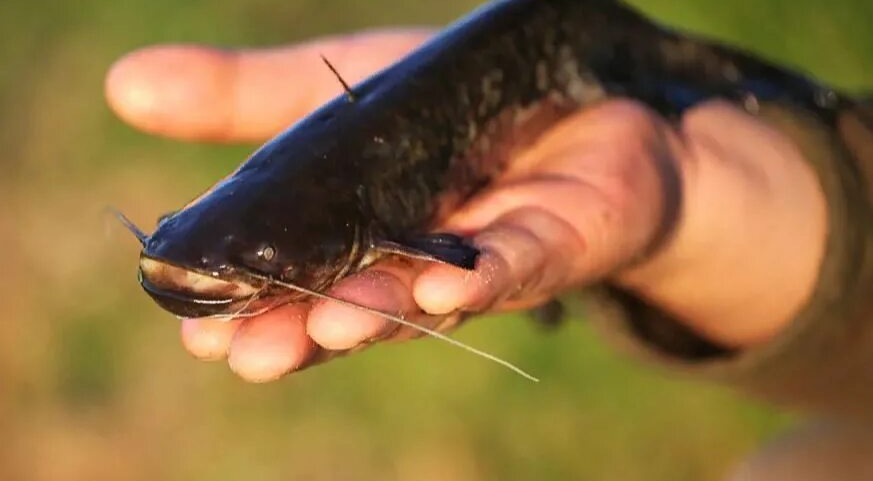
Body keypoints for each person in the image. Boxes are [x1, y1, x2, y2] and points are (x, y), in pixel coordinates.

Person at [105, 28, 871, 480]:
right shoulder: (315, 208)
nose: (214, 271)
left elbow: (454, 255)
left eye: (250, 260)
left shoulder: (361, 219)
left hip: (569, 28)